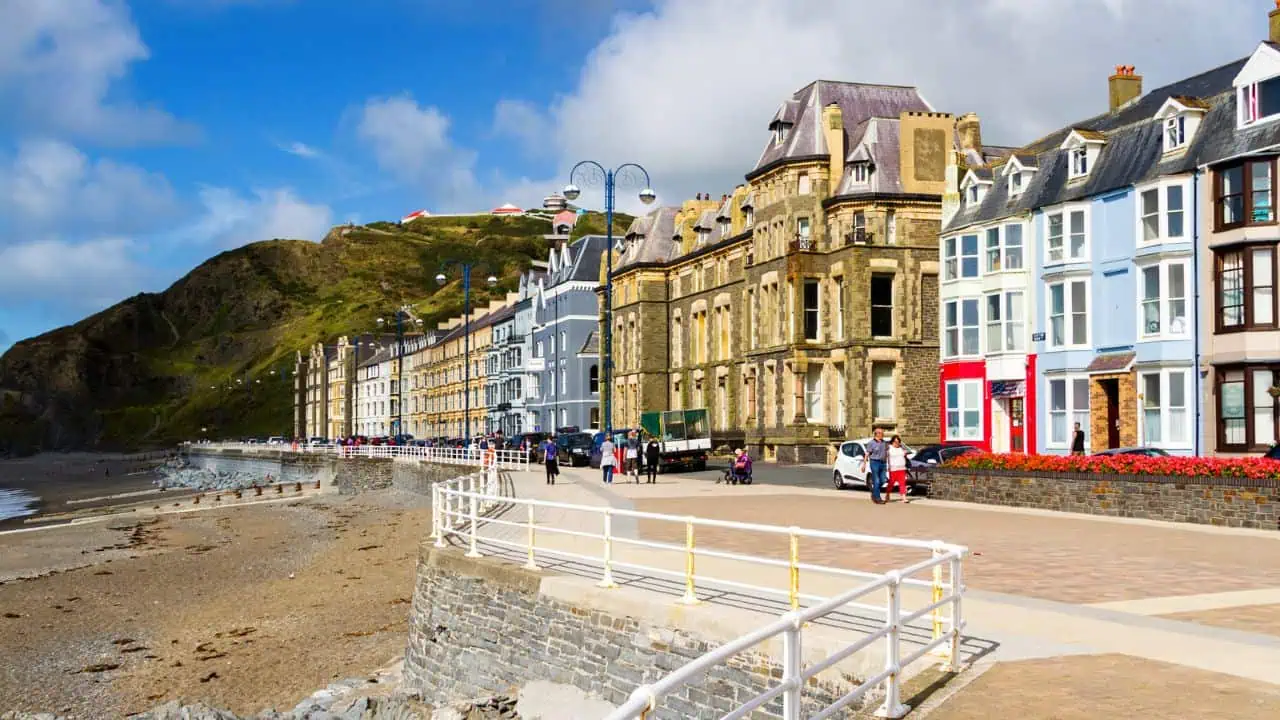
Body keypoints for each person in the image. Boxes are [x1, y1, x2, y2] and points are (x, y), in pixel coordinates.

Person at [860, 427, 888, 504]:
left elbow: (887, 453)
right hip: (874, 462)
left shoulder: (884, 443)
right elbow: (867, 454)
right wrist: (864, 465)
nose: (883, 434)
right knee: (877, 480)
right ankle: (878, 498)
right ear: (877, 434)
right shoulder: (871, 443)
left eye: (883, 433)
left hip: (883, 463)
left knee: (883, 480)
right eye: (882, 433)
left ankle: (874, 492)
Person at [885, 435, 909, 503]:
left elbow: (905, 456)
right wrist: (887, 467)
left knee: (902, 483)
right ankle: (887, 495)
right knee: (891, 483)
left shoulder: (901, 448)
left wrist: (905, 454)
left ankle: (903, 497)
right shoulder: (889, 448)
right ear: (892, 442)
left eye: (898, 442)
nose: (897, 443)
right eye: (895, 442)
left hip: (902, 468)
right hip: (893, 468)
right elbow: (886, 458)